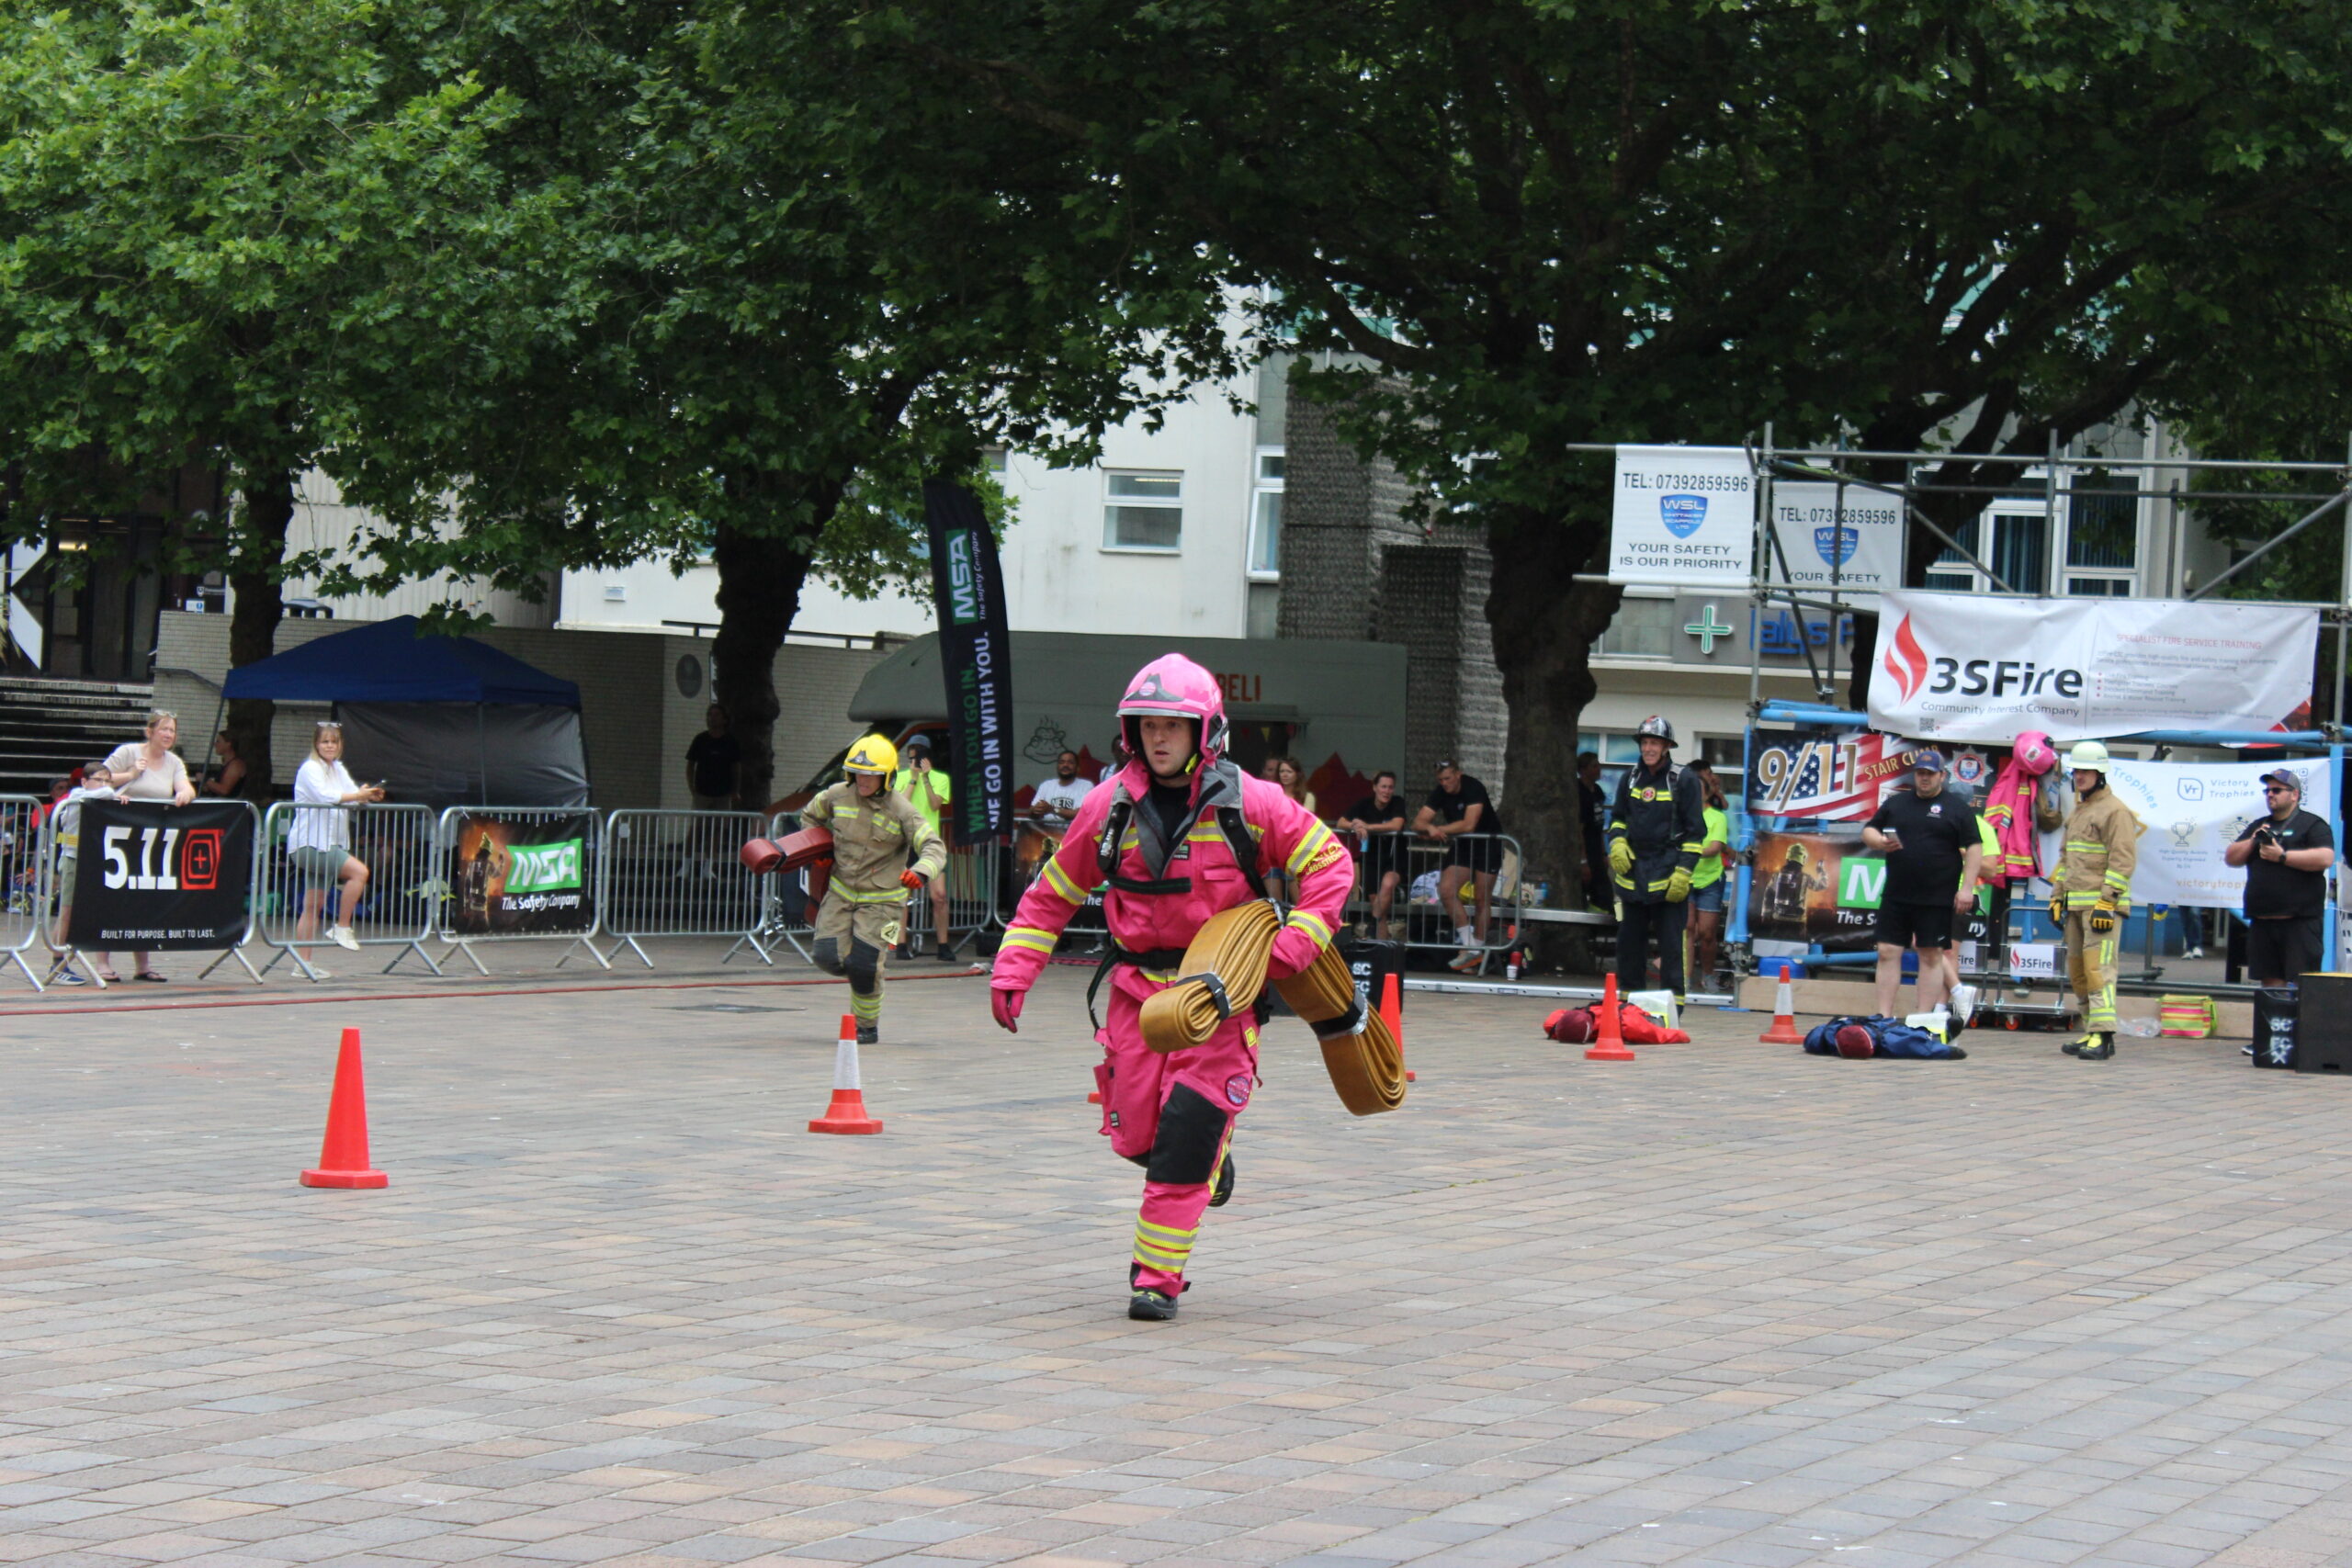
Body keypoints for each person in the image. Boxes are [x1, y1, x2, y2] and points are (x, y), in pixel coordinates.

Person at [989, 654, 1350, 1322]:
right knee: (1136, 1137)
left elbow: (1330, 863)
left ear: (1205, 731)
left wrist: (1297, 942)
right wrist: (1014, 968)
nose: (1159, 738)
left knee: (1186, 1133)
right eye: (1148, 725)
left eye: (1174, 726)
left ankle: (1157, 1280)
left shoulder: (1254, 802)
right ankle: (1212, 1162)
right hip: (1137, 994)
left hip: (1220, 996)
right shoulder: (1107, 805)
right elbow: (1053, 895)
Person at [801, 734, 945, 1043]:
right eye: (857, 772)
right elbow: (809, 816)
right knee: (825, 956)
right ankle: (866, 971)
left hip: (884, 903)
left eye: (871, 774)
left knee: (865, 965)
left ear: (887, 776)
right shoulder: (836, 795)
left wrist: (920, 872)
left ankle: (867, 1026)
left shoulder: (902, 809)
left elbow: (934, 847)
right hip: (840, 893)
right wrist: (818, 850)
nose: (863, 780)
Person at [1861, 750, 1982, 1021]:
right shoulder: (1897, 803)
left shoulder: (1957, 808)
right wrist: (1879, 842)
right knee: (1887, 950)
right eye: (1920, 773)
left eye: (1930, 774)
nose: (1924, 779)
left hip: (1937, 896)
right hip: (1897, 893)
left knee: (1930, 954)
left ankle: (1923, 1018)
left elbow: (1974, 847)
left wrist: (1967, 889)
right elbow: (1869, 830)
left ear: (1942, 775)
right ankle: (1883, 1016)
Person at [2049, 740, 2140, 1061]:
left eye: (2087, 771)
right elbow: (2067, 857)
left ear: (2101, 774)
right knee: (2078, 971)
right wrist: (2057, 895)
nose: (2080, 777)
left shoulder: (2115, 811)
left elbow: (2123, 861)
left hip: (2100, 910)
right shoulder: (2080, 810)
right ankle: (2090, 1031)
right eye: (2077, 771)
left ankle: (2103, 1035)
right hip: (2075, 906)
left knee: (2098, 970)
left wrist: (2108, 902)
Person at [1605, 716, 1703, 1000]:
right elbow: (1619, 818)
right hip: (1633, 875)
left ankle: (1673, 1009)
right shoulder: (1631, 777)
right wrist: (1618, 841)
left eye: (1655, 743)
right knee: (1628, 945)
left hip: (1668, 875)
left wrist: (1684, 872)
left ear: (1666, 747)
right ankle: (1627, 1006)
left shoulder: (1683, 779)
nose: (1648, 748)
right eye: (1645, 742)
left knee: (1672, 947)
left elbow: (1695, 833)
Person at [102, 708, 197, 983]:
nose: (168, 735)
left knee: (144, 899)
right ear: (150, 732)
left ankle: (143, 965)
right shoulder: (129, 752)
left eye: (172, 730)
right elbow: (99, 778)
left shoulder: (173, 761)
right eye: (163, 729)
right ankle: (103, 963)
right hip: (117, 836)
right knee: (110, 897)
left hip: (150, 839)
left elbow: (186, 787)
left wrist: (184, 793)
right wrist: (130, 774)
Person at [2223, 766, 2336, 987]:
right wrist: (2253, 840)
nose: (2270, 795)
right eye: (2267, 791)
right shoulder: (2259, 825)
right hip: (2263, 921)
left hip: (2299, 922)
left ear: (2294, 795)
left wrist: (2282, 856)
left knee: (2303, 985)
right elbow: (2231, 858)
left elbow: (2325, 858)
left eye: (2277, 790)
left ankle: (2301, 1023)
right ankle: (2275, 1022)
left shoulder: (2312, 824)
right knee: (2271, 988)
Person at [289, 721, 385, 976]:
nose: (329, 746)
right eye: (325, 742)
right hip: (310, 844)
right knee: (360, 873)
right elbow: (325, 796)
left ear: (340, 745)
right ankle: (342, 926)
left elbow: (351, 795)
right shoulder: (310, 768)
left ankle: (303, 965)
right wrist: (357, 796)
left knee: (313, 905)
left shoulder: (338, 768)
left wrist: (367, 794)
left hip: (328, 843)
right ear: (316, 744)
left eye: (334, 742)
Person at [1416, 761, 1505, 972]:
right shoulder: (1440, 792)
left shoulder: (1473, 787)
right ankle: (1469, 944)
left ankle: (1478, 947)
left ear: (1458, 774)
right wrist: (1429, 828)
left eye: (1448, 778)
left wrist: (1438, 829)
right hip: (1463, 844)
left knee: (1482, 897)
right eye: (1441, 780)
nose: (1445, 784)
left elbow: (1469, 824)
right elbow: (1418, 822)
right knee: (1446, 890)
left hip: (1487, 842)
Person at [44, 760, 120, 986]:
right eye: (99, 779)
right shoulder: (77, 795)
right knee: (67, 911)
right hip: (72, 859)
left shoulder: (103, 798)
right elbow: (104, 793)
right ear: (85, 781)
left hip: (93, 860)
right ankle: (57, 964)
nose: (105, 785)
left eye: (108, 780)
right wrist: (126, 780)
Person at [895, 734, 957, 961]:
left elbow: (934, 804)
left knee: (939, 895)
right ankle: (900, 944)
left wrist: (927, 777)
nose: (916, 754)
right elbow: (900, 805)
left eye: (921, 750)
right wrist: (912, 778)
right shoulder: (900, 777)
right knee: (902, 895)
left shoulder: (940, 777)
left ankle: (943, 944)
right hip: (904, 842)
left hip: (929, 843)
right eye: (913, 750)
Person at [1338, 771, 1410, 942]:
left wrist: (1368, 827)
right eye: (1383, 787)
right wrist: (1355, 826)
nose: (1386, 791)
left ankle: (1371, 925)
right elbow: (1341, 822)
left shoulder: (1397, 802)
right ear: (1375, 787)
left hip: (1395, 857)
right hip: (1371, 859)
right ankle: (1380, 946)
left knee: (1387, 885)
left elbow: (1397, 824)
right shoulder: (1365, 804)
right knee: (1379, 907)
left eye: (1390, 787)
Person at [1687, 759, 1734, 988]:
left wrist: (1687, 850)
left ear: (1706, 794)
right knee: (1686, 930)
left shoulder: (1718, 817)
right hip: (1684, 877)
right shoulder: (1681, 814)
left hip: (1710, 880)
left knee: (1706, 933)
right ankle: (1683, 978)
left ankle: (1707, 975)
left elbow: (1715, 848)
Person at [682, 704, 741, 881]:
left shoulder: (730, 742)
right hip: (702, 792)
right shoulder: (700, 740)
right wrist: (692, 788)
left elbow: (736, 767)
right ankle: (686, 866)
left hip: (722, 794)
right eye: (709, 715)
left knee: (717, 831)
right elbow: (691, 764)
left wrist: (735, 790)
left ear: (724, 719)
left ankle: (708, 868)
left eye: (716, 715)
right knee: (696, 829)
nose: (711, 718)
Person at [1267, 757, 1316, 900]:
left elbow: (1306, 823)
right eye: (1282, 771)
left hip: (1295, 851)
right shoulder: (1272, 794)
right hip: (1272, 851)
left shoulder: (1307, 796)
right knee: (1275, 904)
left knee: (1300, 902)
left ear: (1297, 774)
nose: (1285, 775)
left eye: (1289, 771)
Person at [1577, 751, 1610, 908]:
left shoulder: (1597, 791)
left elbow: (1600, 826)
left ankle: (1605, 927)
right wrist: (1583, 861)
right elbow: (1579, 829)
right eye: (1594, 766)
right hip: (1585, 851)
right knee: (1584, 892)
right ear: (1583, 770)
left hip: (1597, 850)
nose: (1599, 769)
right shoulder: (1579, 792)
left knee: (1605, 895)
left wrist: (1604, 854)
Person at [1031, 750, 1094, 829]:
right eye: (1062, 762)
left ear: (1078, 768)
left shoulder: (1086, 786)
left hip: (1072, 835)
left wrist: (1053, 810)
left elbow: (1081, 814)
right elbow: (1031, 811)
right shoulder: (1046, 785)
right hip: (1046, 834)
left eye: (1070, 762)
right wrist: (1036, 810)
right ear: (1057, 766)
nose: (1065, 765)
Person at [201, 731, 248, 798]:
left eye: (218, 741)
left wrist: (205, 780)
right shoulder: (225, 764)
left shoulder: (235, 765)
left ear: (228, 744)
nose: (215, 744)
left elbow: (224, 790)